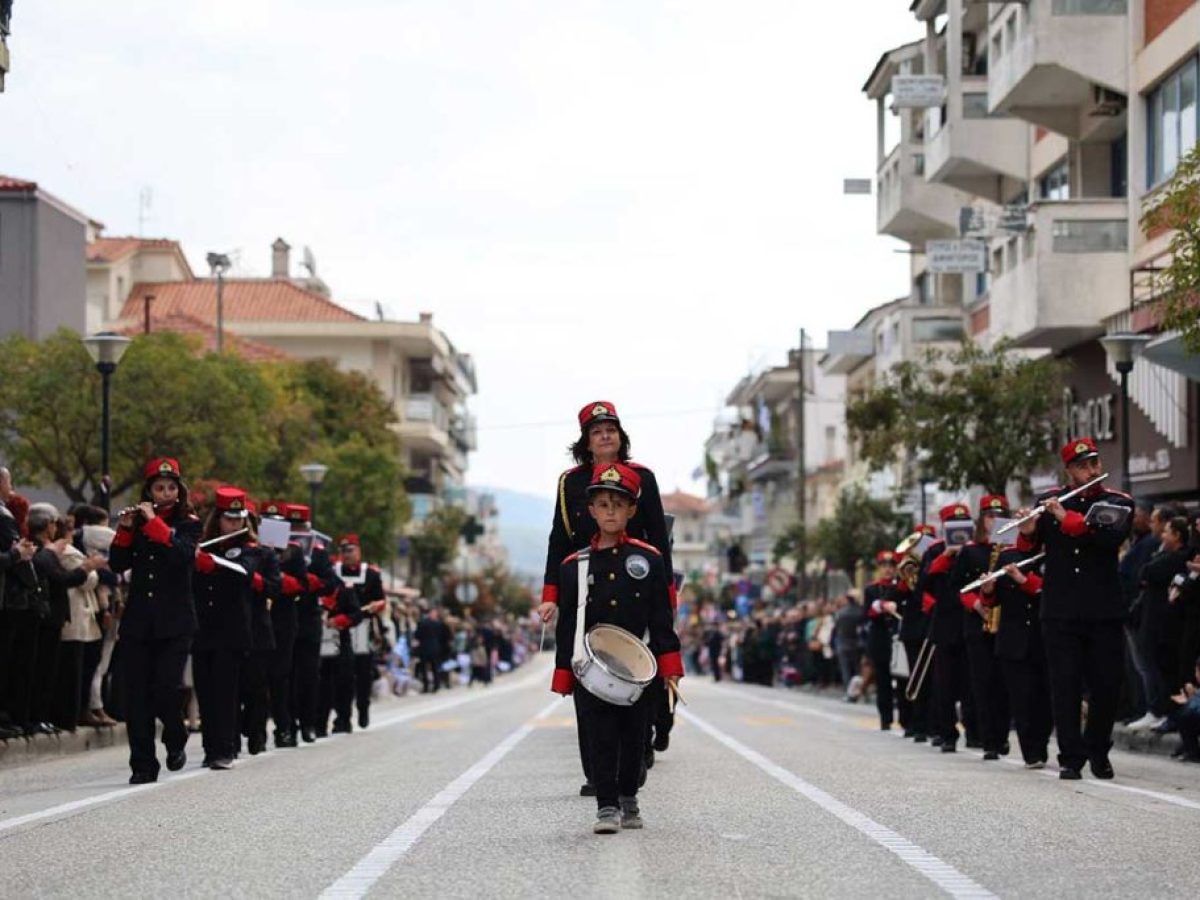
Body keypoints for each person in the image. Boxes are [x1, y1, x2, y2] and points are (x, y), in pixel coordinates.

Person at [538, 401, 675, 795]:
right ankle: (597, 775)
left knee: (639, 669)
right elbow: (558, 541)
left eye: (611, 429)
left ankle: (641, 744)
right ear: (585, 441)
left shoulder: (642, 477)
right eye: (596, 431)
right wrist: (551, 595)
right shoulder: (570, 484)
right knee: (586, 677)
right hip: (584, 582)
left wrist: (665, 594)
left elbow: (659, 541)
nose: (605, 436)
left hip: (636, 581)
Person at [551, 462, 683, 834]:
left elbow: (661, 618)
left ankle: (629, 796)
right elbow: (568, 627)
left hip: (637, 668)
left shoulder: (650, 560)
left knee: (634, 737)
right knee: (600, 737)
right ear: (591, 511)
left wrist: (670, 665)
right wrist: (564, 672)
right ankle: (606, 805)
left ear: (631, 511)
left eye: (618, 505)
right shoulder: (573, 566)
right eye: (603, 505)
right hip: (591, 669)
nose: (610, 512)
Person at [1016, 437, 1134, 780]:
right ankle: (1071, 756)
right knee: (1064, 685)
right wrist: (1026, 531)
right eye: (1082, 466)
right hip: (1060, 610)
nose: (1091, 470)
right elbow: (1028, 553)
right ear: (1068, 470)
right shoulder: (1046, 503)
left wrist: (1065, 517)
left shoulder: (1117, 502)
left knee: (1106, 686)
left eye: (1094, 463)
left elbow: (1108, 538)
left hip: (1103, 610)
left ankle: (1098, 749)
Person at [108, 457, 201, 784]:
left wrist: (153, 523)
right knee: (137, 696)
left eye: (170, 487)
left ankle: (175, 736)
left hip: (175, 621)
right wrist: (126, 529)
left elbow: (182, 556)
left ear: (179, 490)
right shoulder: (137, 522)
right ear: (149, 490)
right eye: (159, 488)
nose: (164, 493)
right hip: (139, 622)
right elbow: (117, 563)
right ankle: (143, 765)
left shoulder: (188, 522)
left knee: (166, 688)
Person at [192, 487, 280, 769]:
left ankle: (225, 748)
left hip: (233, 631)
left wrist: (213, 565)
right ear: (218, 519)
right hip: (202, 628)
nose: (234, 525)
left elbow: (245, 570)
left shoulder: (254, 551)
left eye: (238, 520)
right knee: (205, 691)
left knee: (227, 692)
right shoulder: (202, 546)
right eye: (228, 520)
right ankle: (210, 747)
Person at [950, 495, 1013, 761]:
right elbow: (958, 587)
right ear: (981, 520)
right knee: (983, 684)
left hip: (1007, 624)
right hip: (977, 624)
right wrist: (976, 604)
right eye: (989, 515)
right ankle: (988, 740)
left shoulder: (1012, 549)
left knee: (1005, 684)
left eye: (998, 515)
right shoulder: (971, 550)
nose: (993, 520)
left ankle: (1002, 736)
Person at [919, 503, 978, 752]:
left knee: (972, 683)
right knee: (944, 684)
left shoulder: (977, 549)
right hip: (945, 622)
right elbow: (924, 582)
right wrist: (948, 554)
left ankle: (975, 733)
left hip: (971, 619)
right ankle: (947, 733)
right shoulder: (934, 551)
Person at [1129, 516, 1190, 732]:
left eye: (1167, 532)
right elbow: (1143, 573)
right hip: (1149, 617)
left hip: (1162, 621)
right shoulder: (1164, 554)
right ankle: (1154, 709)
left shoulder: (1178, 557)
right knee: (1146, 665)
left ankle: (1159, 709)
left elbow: (1148, 572)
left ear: (1177, 536)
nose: (1162, 536)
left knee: (1154, 667)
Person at [332, 534, 385, 731]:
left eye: (350, 550)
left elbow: (381, 600)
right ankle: (342, 717)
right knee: (341, 675)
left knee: (363, 673)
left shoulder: (371, 574)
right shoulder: (334, 572)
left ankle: (363, 707)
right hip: (338, 629)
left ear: (358, 551)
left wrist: (375, 606)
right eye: (343, 551)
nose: (347, 555)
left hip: (362, 628)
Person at [864, 550, 902, 731]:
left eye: (891, 566)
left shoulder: (901, 586)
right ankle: (885, 718)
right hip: (879, 640)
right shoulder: (871, 589)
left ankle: (905, 719)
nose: (888, 570)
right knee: (883, 681)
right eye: (884, 566)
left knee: (902, 680)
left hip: (898, 639)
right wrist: (880, 607)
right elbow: (867, 613)